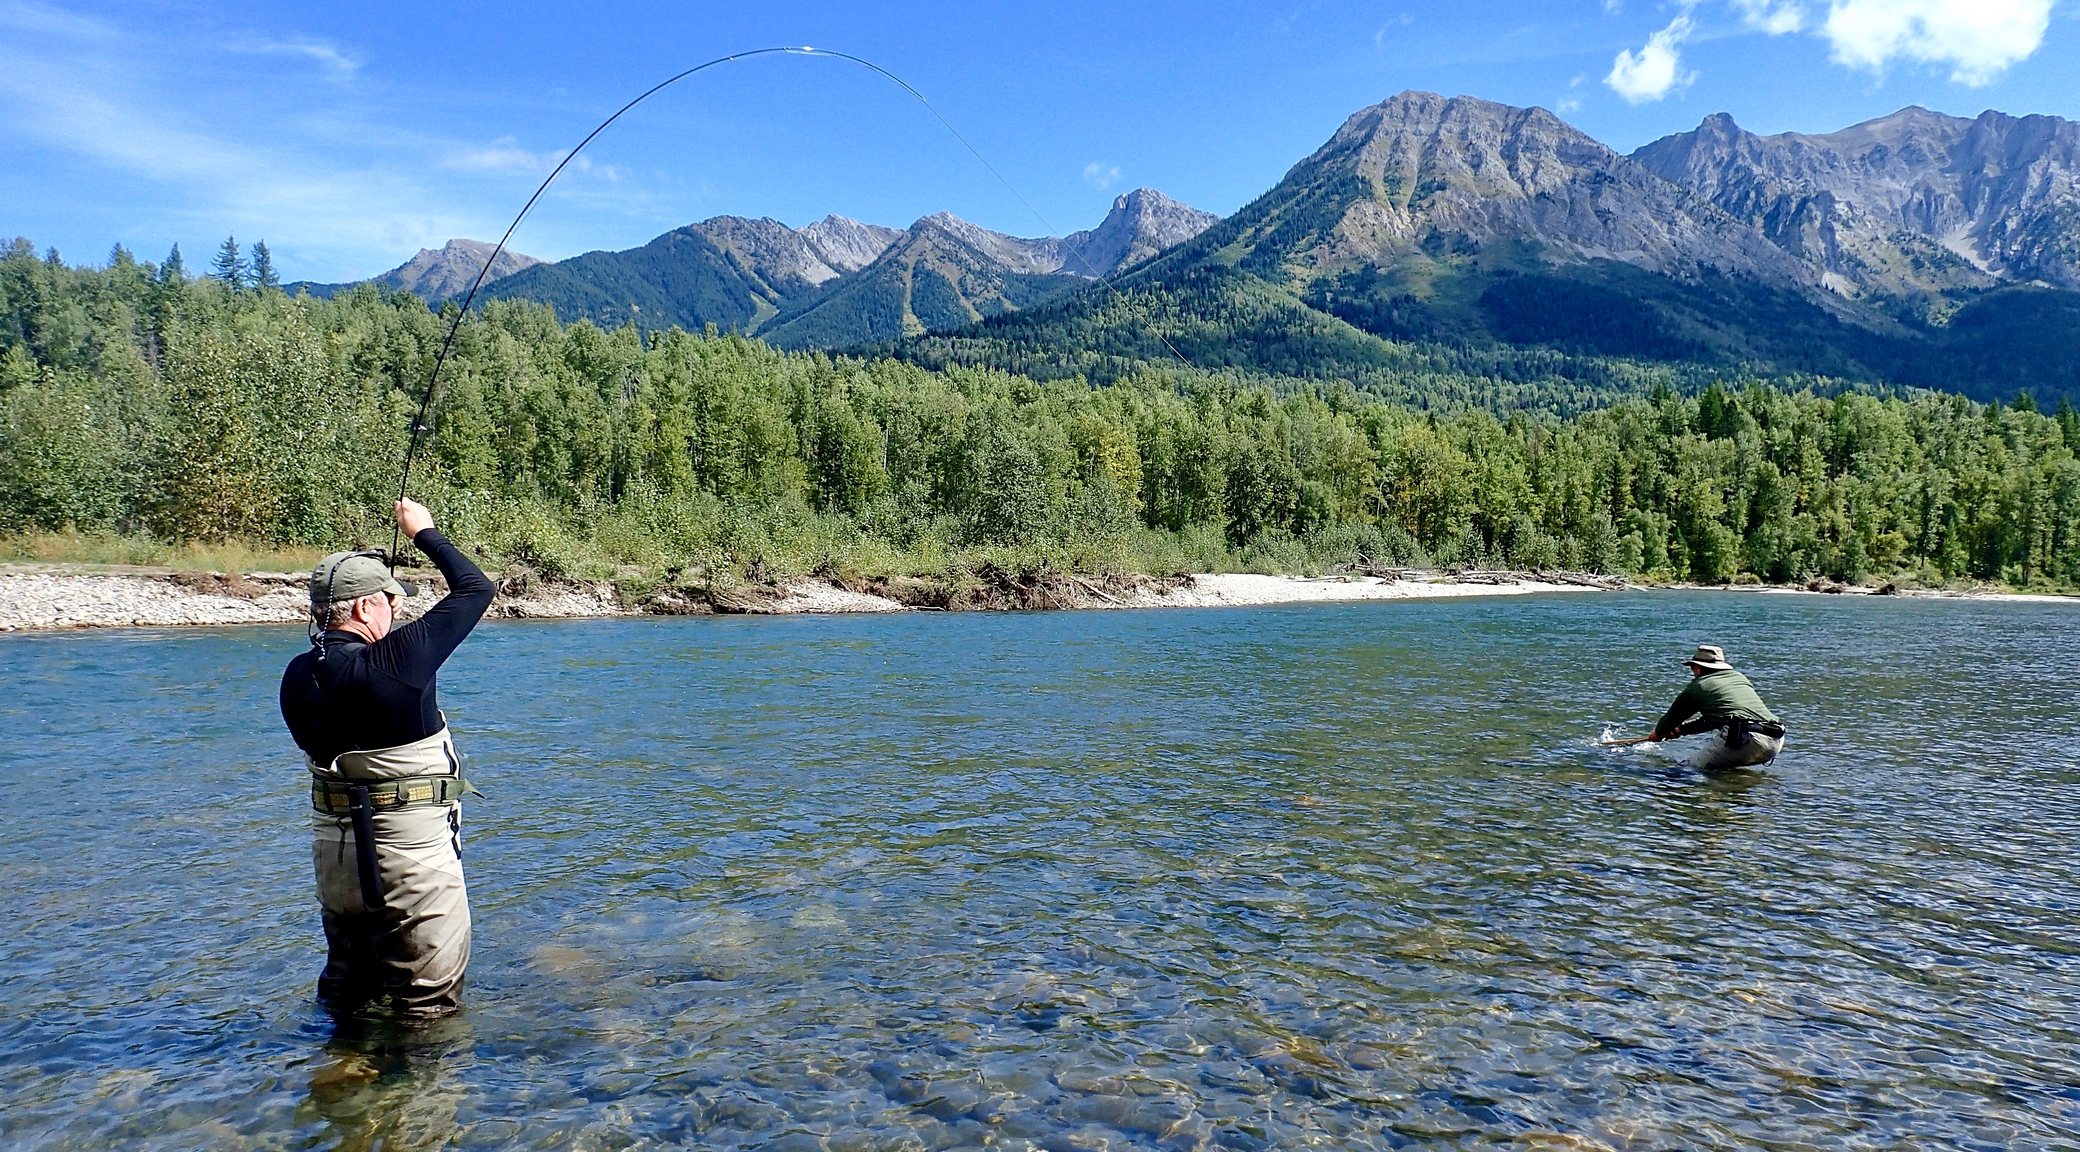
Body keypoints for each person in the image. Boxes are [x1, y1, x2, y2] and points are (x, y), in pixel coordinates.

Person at [280, 498, 496, 1015]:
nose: (397, 610)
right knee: (428, 1013)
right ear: (361, 608)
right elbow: (476, 588)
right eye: (389, 601)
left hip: (337, 864)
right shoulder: (394, 665)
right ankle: (410, 1096)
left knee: (349, 997)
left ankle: (340, 1074)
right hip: (410, 861)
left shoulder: (295, 675)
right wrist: (424, 532)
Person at [1650, 644, 1787, 770]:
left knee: (1685, 769)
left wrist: (1659, 733)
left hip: (1745, 738)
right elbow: (1712, 720)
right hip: (1776, 740)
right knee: (1724, 772)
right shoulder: (1738, 677)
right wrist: (1681, 730)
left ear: (1698, 668)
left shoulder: (1699, 686)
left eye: (1692, 668)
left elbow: (1673, 717)